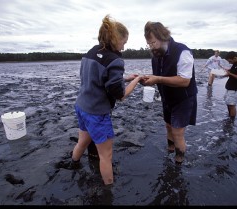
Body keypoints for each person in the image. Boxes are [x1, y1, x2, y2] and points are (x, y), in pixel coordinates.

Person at [71, 15, 142, 185]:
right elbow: (121, 95)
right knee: (106, 155)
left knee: (82, 141)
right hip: (97, 113)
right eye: (124, 42)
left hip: (81, 107)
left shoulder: (90, 52)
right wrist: (136, 80)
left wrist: (124, 78)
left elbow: (98, 79)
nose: (124, 47)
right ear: (115, 39)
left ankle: (73, 164)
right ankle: (108, 190)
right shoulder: (115, 60)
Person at [141, 21, 198, 164]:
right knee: (168, 125)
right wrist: (148, 78)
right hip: (167, 97)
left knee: (178, 132)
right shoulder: (156, 55)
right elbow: (160, 75)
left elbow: (185, 81)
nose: (151, 47)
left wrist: (158, 79)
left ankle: (179, 162)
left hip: (183, 98)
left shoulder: (182, 52)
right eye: (149, 44)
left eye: (153, 43)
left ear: (163, 37)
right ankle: (170, 150)